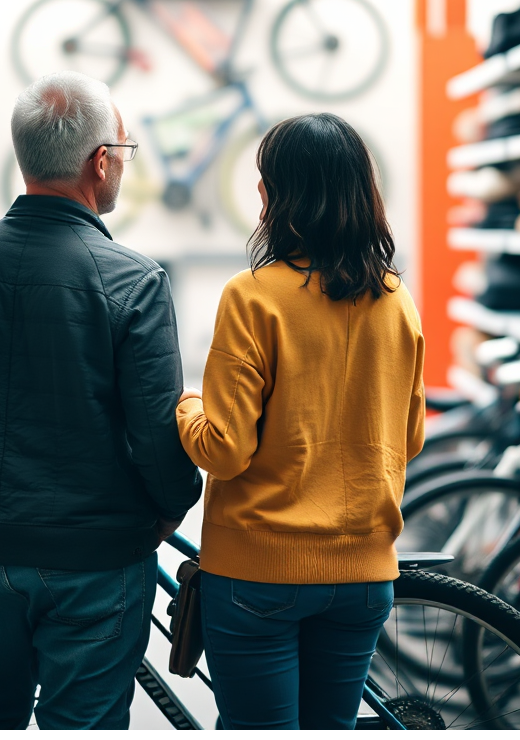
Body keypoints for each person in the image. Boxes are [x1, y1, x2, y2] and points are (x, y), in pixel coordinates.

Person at [0, 70, 202, 730]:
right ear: (100, 161)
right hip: (97, 554)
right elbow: (155, 434)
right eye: (124, 147)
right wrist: (171, 506)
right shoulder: (133, 280)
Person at [176, 113, 425, 731]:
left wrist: (183, 408)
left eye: (264, 181)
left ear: (278, 196)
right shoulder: (396, 299)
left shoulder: (253, 295)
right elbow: (409, 437)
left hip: (259, 575)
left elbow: (225, 450)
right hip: (365, 574)